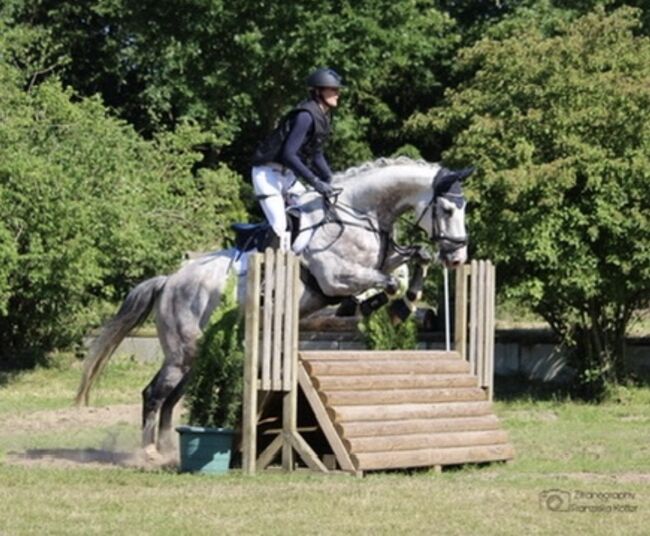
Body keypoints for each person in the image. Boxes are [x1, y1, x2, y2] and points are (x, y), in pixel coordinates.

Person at [251, 67, 342, 251]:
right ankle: (258, 267)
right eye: (333, 90)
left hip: (287, 176)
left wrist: (332, 180)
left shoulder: (323, 117)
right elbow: (288, 154)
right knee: (280, 225)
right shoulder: (305, 116)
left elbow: (316, 154)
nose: (337, 94)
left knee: (313, 214)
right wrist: (315, 181)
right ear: (318, 92)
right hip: (267, 175)